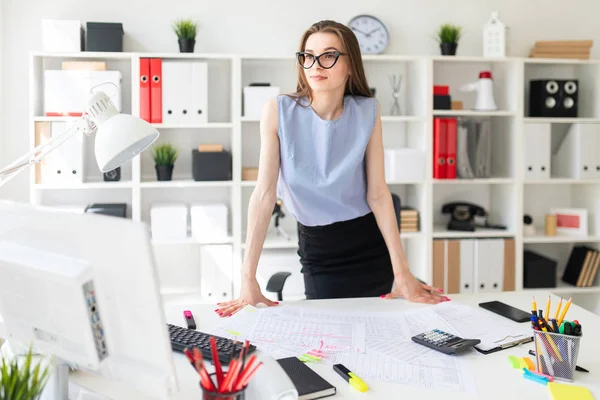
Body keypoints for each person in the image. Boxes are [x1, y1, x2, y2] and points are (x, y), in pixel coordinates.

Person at [216, 20, 449, 317]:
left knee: (377, 329)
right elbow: (263, 195)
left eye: (328, 55)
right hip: (319, 247)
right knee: (330, 331)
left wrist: (402, 271)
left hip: (369, 242)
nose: (316, 65)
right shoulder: (278, 111)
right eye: (308, 56)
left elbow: (378, 194)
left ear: (350, 64)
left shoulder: (368, 111)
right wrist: (248, 278)